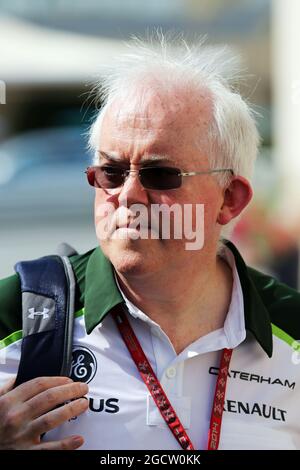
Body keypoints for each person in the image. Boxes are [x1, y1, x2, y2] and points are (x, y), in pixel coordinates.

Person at [0, 34, 299, 451]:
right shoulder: (14, 312)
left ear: (229, 200)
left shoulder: (292, 329)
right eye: (111, 172)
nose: (128, 195)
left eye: (160, 176)